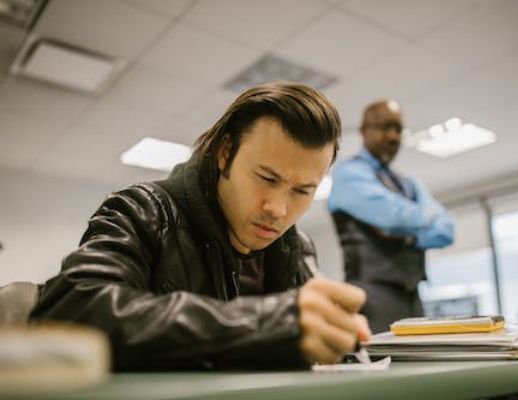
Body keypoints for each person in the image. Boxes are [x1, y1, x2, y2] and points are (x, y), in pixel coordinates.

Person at [30, 82, 371, 370]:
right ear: (225, 153)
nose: (278, 210)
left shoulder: (297, 247)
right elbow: (71, 309)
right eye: (267, 178)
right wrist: (266, 324)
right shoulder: (144, 210)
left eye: (302, 191)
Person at [327, 99, 454, 333]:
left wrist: (408, 233)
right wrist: (428, 215)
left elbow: (446, 231)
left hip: (413, 296)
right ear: (364, 131)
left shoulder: (409, 182)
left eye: (398, 129)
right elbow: (393, 217)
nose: (394, 136)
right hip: (369, 296)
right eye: (385, 127)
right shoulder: (348, 174)